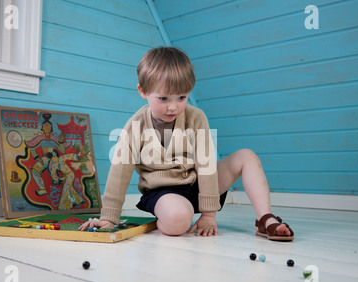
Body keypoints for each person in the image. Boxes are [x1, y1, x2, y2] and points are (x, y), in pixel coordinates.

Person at [79, 47, 294, 240]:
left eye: (181, 97)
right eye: (163, 99)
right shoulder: (135, 126)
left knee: (247, 156)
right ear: (142, 91)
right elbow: (120, 172)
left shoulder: (196, 117)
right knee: (177, 222)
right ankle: (172, 214)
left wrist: (209, 215)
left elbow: (206, 164)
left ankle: (265, 219)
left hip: (198, 183)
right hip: (163, 192)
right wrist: (109, 217)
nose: (173, 107)